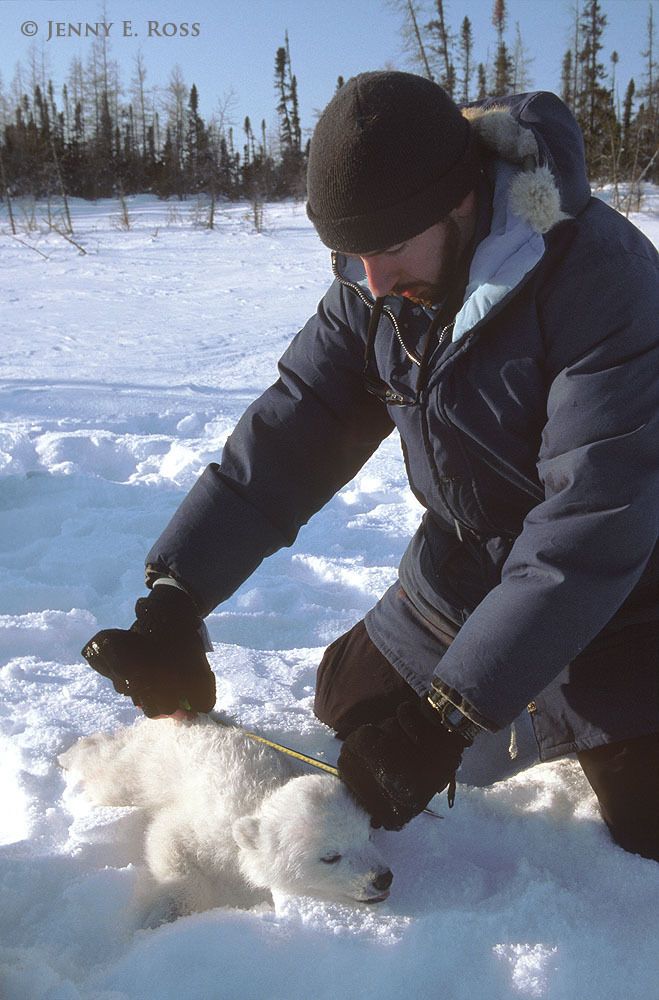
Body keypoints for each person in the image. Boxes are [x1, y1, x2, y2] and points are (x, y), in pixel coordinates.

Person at [82, 72, 659, 860]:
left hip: (629, 596)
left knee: (646, 831)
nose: (372, 281)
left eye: (387, 248)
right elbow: (298, 426)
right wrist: (177, 596)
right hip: (466, 566)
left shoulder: (606, 283)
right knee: (347, 706)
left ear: (461, 201)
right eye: (348, 255)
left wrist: (447, 714)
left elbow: (588, 530)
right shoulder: (372, 279)